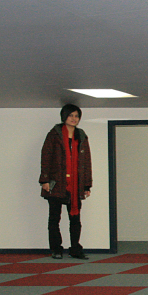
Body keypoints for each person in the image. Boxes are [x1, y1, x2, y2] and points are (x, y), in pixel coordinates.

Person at [39, 104, 92, 260]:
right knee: (54, 219)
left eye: (76, 116)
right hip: (56, 183)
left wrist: (87, 185)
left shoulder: (81, 136)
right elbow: (46, 157)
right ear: (64, 117)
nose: (74, 119)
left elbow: (86, 161)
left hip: (75, 185)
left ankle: (75, 249)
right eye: (71, 115)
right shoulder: (54, 135)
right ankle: (56, 249)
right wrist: (45, 180)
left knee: (75, 219)